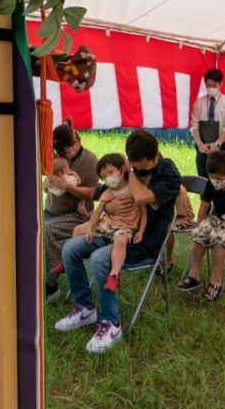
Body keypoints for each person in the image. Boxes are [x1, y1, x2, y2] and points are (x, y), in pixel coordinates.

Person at [55, 130, 181, 353]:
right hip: (112, 230)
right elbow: (101, 190)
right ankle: (85, 308)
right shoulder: (129, 169)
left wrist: (130, 172)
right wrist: (107, 206)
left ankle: (111, 323)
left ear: (155, 157)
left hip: (144, 241)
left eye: (142, 168)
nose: (140, 173)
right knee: (70, 248)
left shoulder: (168, 174)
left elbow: (142, 198)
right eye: (135, 168)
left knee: (98, 260)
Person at [177, 151, 225, 302]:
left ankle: (216, 282)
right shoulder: (210, 184)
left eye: (219, 179)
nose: (216, 181)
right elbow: (204, 207)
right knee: (200, 234)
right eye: (213, 178)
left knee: (219, 239)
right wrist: (200, 225)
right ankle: (194, 275)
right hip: (218, 219)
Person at [72, 154, 146, 292]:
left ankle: (113, 275)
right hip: (107, 224)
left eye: (110, 172)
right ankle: (67, 262)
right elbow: (97, 212)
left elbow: (144, 212)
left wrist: (141, 231)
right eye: (104, 176)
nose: (108, 178)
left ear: (122, 169)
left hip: (125, 226)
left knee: (120, 242)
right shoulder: (108, 193)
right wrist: (89, 228)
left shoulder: (133, 189)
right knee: (78, 230)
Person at [43, 119, 99, 297]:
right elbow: (46, 178)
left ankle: (51, 283)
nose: (63, 155)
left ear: (75, 143)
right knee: (30, 230)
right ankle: (36, 278)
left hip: (77, 215)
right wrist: (48, 184)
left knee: (48, 229)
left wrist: (68, 187)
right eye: (59, 152)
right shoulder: (57, 158)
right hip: (51, 211)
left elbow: (90, 193)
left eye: (65, 151)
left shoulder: (90, 160)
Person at [190, 68, 225, 177]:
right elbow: (194, 125)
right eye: (208, 85)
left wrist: (218, 143)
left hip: (222, 146)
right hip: (203, 146)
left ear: (221, 83)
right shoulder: (199, 103)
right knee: (203, 180)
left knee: (222, 179)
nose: (211, 88)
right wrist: (200, 144)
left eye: (214, 85)